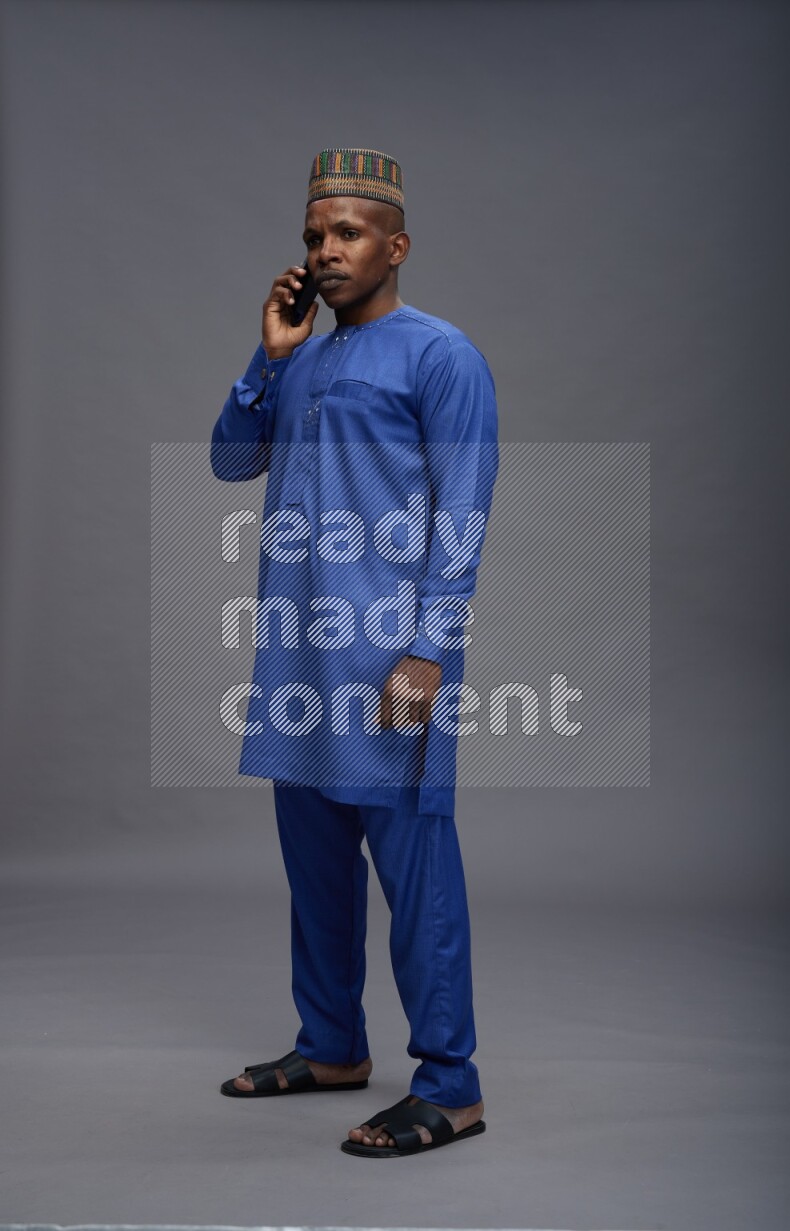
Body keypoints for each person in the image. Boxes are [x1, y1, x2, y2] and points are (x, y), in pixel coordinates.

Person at [210, 148, 499, 1157]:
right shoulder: (302, 355)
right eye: (311, 236)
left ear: (395, 245)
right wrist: (268, 358)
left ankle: (450, 1083)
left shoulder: (440, 355)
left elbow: (461, 516)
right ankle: (330, 1043)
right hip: (296, 657)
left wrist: (427, 650)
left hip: (388, 661)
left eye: (345, 233)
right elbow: (227, 457)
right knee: (315, 863)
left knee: (414, 870)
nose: (325, 251)